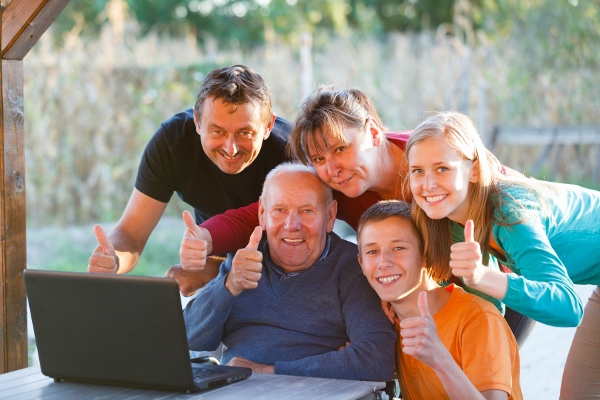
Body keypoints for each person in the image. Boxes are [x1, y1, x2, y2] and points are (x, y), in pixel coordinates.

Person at [184, 88, 536, 345]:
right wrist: (206, 237)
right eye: (318, 159)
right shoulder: (342, 185)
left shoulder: (432, 159)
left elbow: (503, 192)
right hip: (425, 297)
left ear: (371, 131)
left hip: (499, 289)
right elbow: (260, 213)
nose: (332, 169)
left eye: (340, 149)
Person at [404, 110, 600, 399]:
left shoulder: (510, 214)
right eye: (417, 171)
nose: (428, 184)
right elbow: (487, 308)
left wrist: (487, 277)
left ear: (473, 170)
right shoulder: (451, 221)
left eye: (442, 168)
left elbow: (569, 308)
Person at [87, 64, 292, 293]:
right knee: (179, 280)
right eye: (217, 131)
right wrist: (113, 259)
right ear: (197, 122)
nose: (231, 148)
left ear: (268, 126)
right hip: (218, 253)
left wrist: (216, 268)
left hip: (284, 266)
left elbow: (305, 249)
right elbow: (131, 233)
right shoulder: (173, 143)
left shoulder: (291, 152)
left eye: (245, 133)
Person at [183, 163, 396, 381]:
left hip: (316, 392)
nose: (292, 225)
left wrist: (268, 371)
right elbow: (190, 339)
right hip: (236, 391)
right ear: (263, 214)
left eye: (306, 211)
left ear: (330, 216)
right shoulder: (244, 260)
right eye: (280, 210)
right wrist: (229, 285)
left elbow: (377, 359)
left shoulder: (351, 266)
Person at [356, 200, 522, 400]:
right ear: (361, 263)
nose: (383, 263)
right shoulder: (386, 322)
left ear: (426, 253)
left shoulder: (478, 318)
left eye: (398, 248)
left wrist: (439, 358)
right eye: (372, 252)